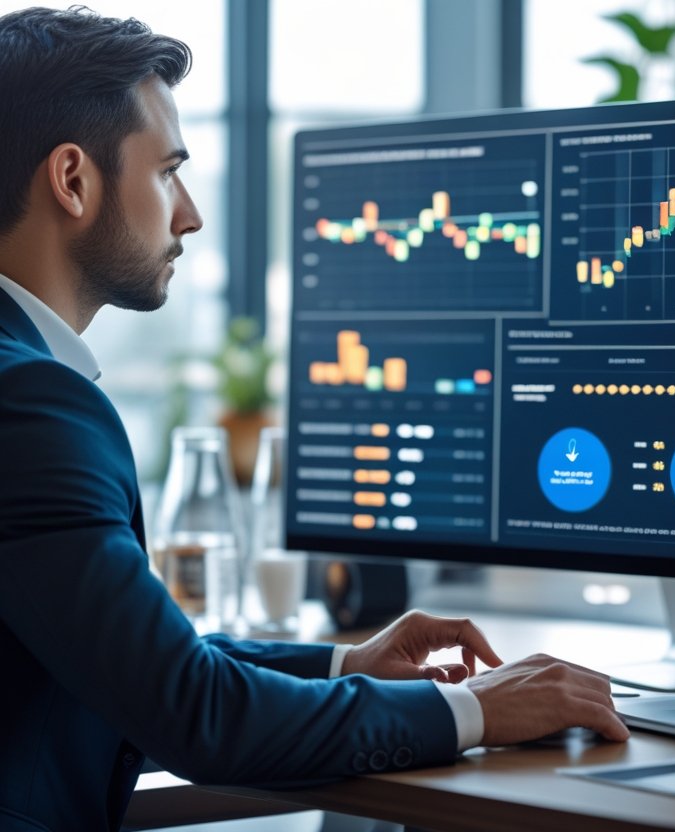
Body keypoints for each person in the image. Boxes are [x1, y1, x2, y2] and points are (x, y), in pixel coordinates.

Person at [0, 7, 628, 830]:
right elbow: (194, 714)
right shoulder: (33, 406)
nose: (188, 213)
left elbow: (133, 664)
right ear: (73, 180)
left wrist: (344, 663)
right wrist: (477, 711)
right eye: (166, 173)